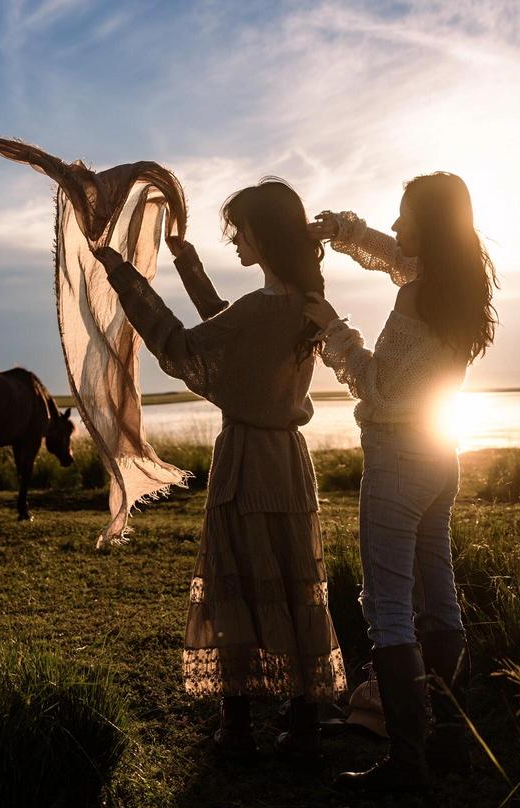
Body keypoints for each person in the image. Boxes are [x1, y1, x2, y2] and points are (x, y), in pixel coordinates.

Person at [92, 179, 347, 759]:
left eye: (239, 230)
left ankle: (236, 730)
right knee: (291, 582)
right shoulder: (300, 304)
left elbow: (184, 346)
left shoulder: (262, 309)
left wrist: (122, 274)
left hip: (245, 464)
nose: (234, 240)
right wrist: (189, 265)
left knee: (235, 581)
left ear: (265, 234)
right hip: (287, 464)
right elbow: (227, 336)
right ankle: (303, 720)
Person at [303, 172, 498, 791]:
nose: (394, 226)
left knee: (387, 605)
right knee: (439, 597)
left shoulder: (415, 300)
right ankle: (447, 739)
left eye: (404, 214)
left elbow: (378, 383)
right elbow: (394, 256)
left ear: (428, 225)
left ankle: (406, 762)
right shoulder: (460, 286)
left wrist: (332, 330)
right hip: (442, 456)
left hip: (397, 457)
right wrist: (344, 232)